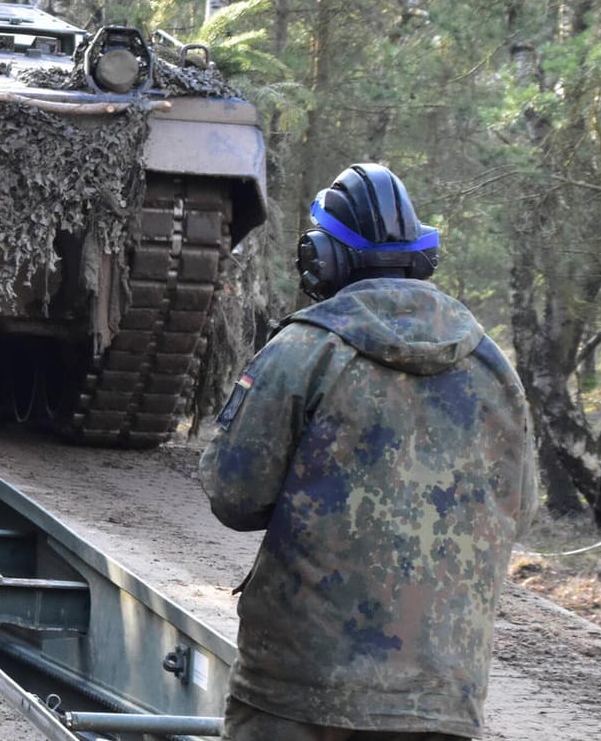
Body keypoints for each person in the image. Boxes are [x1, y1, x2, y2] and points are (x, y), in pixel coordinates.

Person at [199, 162, 536, 741]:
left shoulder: (306, 350)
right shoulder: (492, 365)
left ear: (322, 260)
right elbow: (518, 510)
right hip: (441, 698)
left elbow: (235, 495)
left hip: (301, 690)